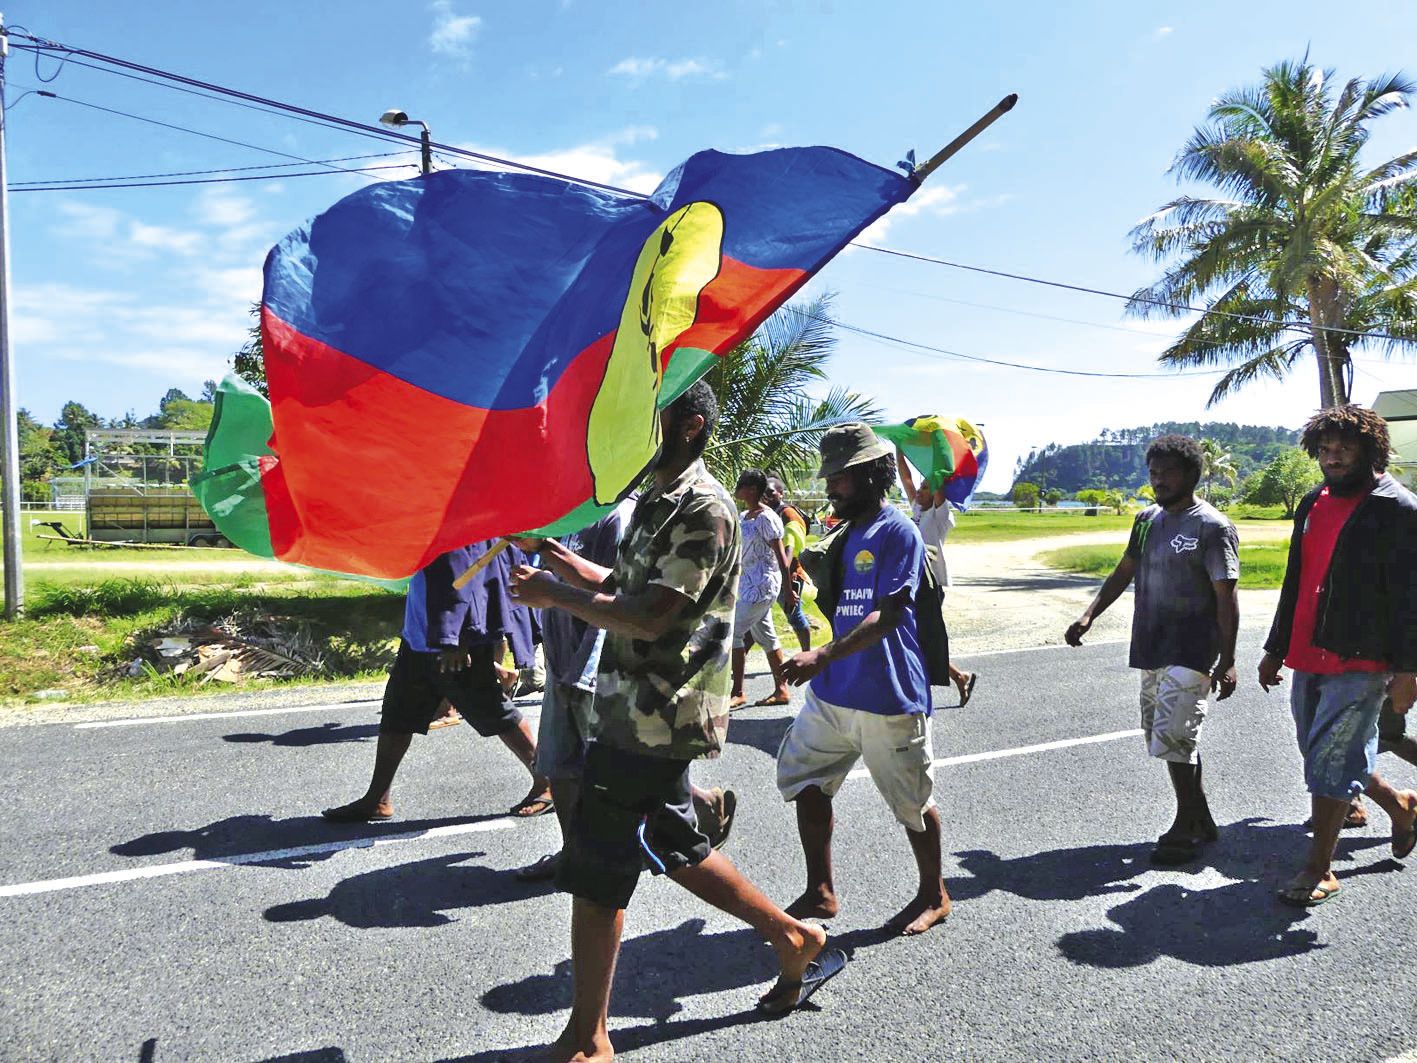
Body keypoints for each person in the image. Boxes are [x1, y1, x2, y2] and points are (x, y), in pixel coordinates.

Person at [510, 381, 842, 1061]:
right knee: (671, 839)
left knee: (598, 864)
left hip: (658, 710)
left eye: (646, 416)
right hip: (635, 705)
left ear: (688, 425)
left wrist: (556, 596)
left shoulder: (703, 507)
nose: (631, 427)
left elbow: (654, 612)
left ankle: (588, 1036)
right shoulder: (660, 500)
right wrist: (567, 562)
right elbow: (636, 587)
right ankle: (793, 938)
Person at [777, 422, 951, 936]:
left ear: (874, 476)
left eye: (842, 477)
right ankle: (821, 891)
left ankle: (935, 893)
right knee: (803, 780)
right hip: (833, 694)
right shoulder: (844, 532)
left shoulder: (899, 532)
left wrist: (821, 656)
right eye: (830, 476)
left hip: (886, 693)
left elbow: (892, 614)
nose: (832, 486)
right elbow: (837, 603)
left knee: (912, 804)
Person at [513, 500, 738, 880]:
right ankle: (576, 856)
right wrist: (542, 547)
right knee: (560, 766)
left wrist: (553, 588)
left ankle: (785, 929)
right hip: (561, 659)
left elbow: (622, 595)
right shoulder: (568, 517)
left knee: (641, 801)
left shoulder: (625, 516)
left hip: (596, 665)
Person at [1258, 405, 1417, 907]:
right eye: (1325, 448)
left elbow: (1411, 597)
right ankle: (1401, 805)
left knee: (1332, 757)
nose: (1333, 457)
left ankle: (1318, 867)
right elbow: (1295, 579)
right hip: (1308, 649)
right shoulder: (1314, 501)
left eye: (1344, 447)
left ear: (1372, 448)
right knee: (1319, 750)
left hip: (1364, 657)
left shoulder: (1397, 508)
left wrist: (1409, 669)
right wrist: (1275, 646)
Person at [1065, 434, 1239, 865]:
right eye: (1153, 473)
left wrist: (1229, 659)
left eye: (1167, 473)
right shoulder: (1146, 520)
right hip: (1152, 642)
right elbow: (1125, 570)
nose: (1158, 481)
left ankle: (1185, 826)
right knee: (1168, 738)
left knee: (1177, 735)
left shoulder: (1212, 526)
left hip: (1193, 648)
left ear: (1191, 476)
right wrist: (1090, 614)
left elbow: (1226, 597)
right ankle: (1202, 818)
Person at [321, 541, 552, 822]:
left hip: (453, 640)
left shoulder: (459, 516)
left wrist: (457, 638)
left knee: (493, 710)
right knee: (398, 713)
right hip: (422, 634)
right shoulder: (432, 513)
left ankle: (547, 781)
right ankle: (377, 799)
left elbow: (471, 572)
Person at [896, 447, 978, 706]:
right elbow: (906, 478)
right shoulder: (918, 509)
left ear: (935, 494)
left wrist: (935, 455)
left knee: (921, 637)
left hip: (931, 584)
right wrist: (900, 447)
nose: (918, 492)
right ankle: (958, 676)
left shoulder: (940, 515)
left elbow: (938, 484)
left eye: (925, 489)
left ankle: (948, 679)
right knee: (916, 636)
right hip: (915, 582)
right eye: (919, 489)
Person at [730, 467, 796, 708]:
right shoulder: (745, 515)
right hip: (748, 583)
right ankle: (781, 690)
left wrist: (788, 590)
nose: (737, 489)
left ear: (751, 489)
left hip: (763, 584)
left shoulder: (766, 517)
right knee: (766, 636)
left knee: (733, 632)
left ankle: (738, 691)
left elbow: (781, 556)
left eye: (741, 485)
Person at [767, 475, 814, 651]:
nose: (766, 496)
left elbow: (791, 551)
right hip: (773, 573)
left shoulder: (788, 514)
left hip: (789, 574)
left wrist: (787, 587)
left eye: (770, 492)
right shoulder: (769, 514)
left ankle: (807, 653)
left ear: (781, 493)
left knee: (794, 614)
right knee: (757, 615)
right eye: (763, 492)